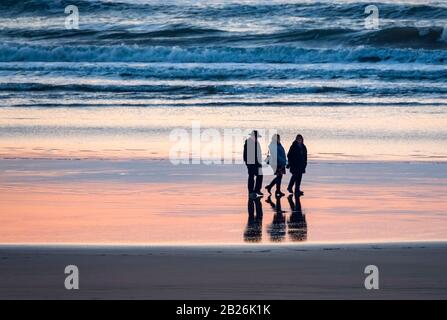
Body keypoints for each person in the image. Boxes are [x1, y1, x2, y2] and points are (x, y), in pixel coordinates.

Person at [243, 130, 263, 198]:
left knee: (260, 175)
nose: (256, 138)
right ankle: (251, 191)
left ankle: (257, 190)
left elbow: (259, 153)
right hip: (251, 163)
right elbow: (245, 154)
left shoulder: (257, 142)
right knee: (251, 177)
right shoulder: (248, 142)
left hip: (257, 163)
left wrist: (260, 162)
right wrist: (247, 163)